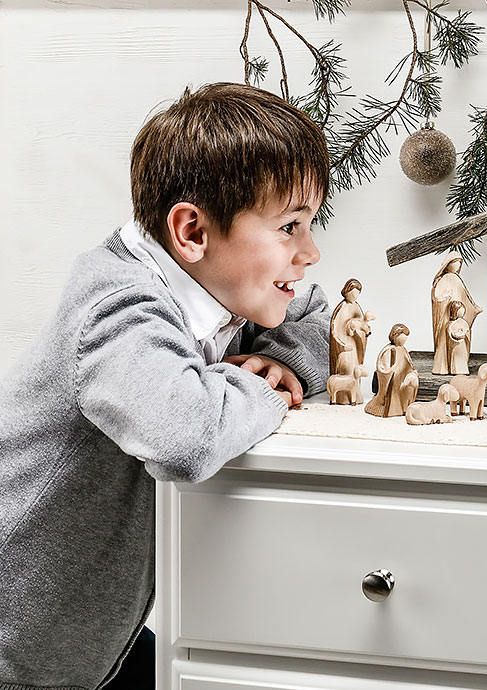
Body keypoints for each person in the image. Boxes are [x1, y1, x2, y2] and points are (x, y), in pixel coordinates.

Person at [0, 83, 332, 690]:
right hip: (20, 644)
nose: (310, 251)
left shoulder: (212, 284)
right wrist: (259, 389)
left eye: (310, 225)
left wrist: (286, 360)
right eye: (290, 226)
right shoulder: (119, 308)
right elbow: (185, 436)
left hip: (95, 630)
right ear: (193, 232)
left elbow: (316, 313)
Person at [431, 252, 481, 375]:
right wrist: (444, 298)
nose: (456, 266)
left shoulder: (457, 279)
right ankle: (442, 367)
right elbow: (436, 297)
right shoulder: (443, 279)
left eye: (459, 264)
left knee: (459, 346)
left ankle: (457, 367)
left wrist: (474, 308)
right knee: (444, 342)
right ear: (447, 265)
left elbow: (466, 297)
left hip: (458, 314)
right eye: (454, 263)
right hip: (446, 318)